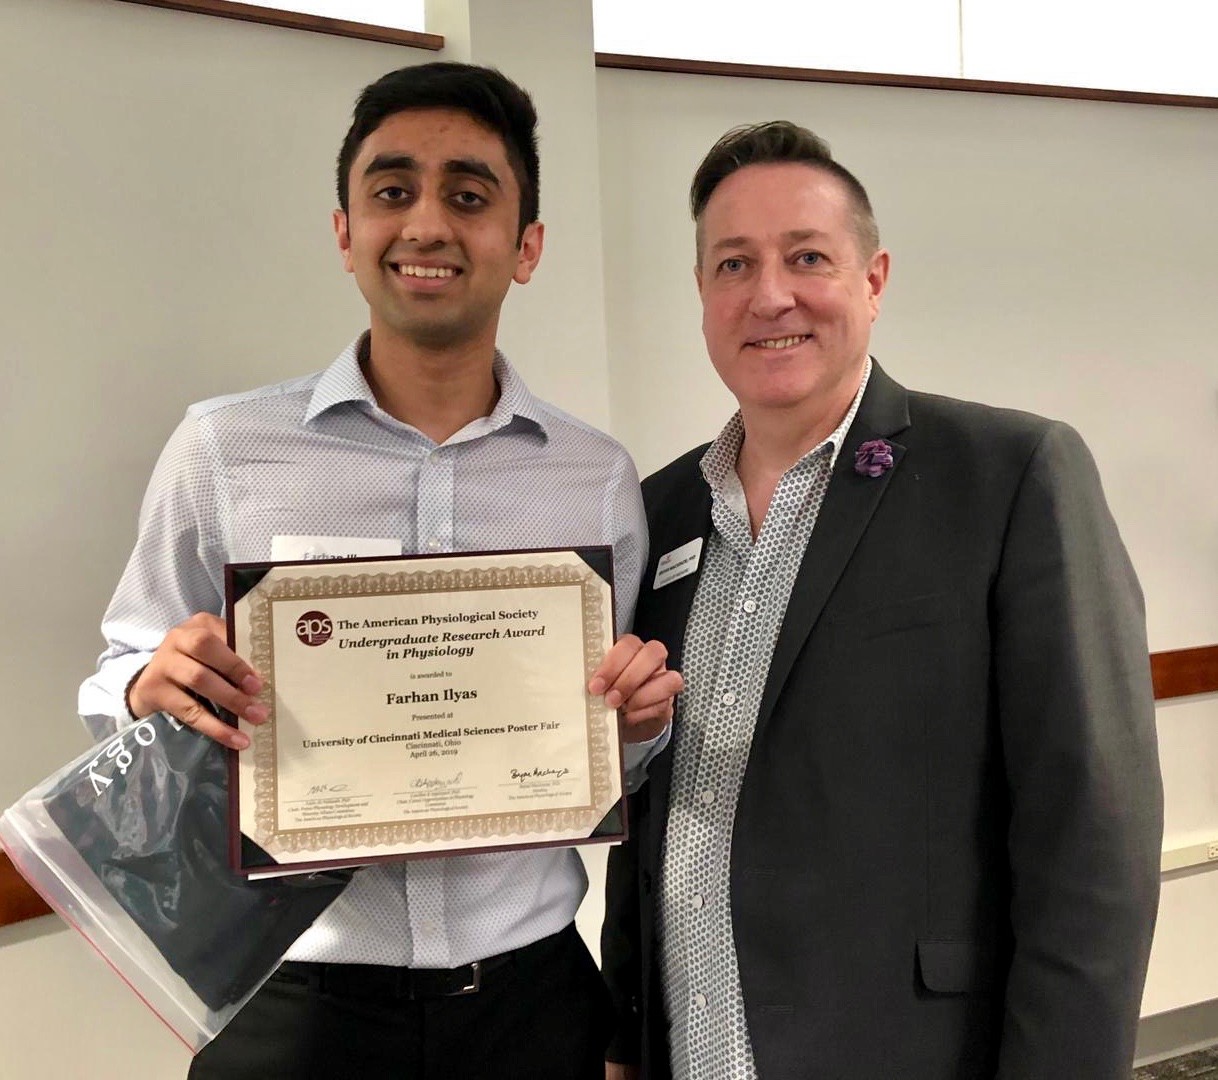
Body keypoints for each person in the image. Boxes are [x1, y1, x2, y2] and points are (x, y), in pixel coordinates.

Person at [78, 61, 679, 1079]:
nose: (428, 225)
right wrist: (150, 683)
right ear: (345, 231)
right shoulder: (223, 452)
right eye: (392, 192)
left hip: (530, 1006)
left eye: (471, 196)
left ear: (526, 246)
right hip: (292, 1011)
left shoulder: (595, 479)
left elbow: (610, 759)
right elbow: (116, 679)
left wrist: (636, 729)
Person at [601, 120, 1163, 1080]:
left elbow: (1092, 841)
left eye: (807, 256)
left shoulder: (1008, 475)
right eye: (733, 263)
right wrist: (622, 1036)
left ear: (874, 279)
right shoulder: (658, 511)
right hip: (692, 1050)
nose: (769, 294)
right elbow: (652, 802)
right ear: (703, 294)